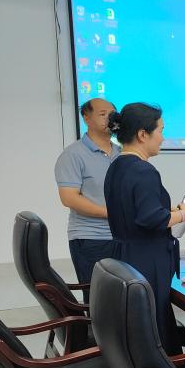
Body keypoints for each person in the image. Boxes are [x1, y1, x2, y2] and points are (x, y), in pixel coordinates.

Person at [104, 103, 185, 355]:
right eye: (161, 130)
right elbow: (151, 218)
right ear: (142, 134)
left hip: (126, 255)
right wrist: (184, 214)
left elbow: (135, 212)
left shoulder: (117, 166)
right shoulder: (143, 170)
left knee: (141, 322)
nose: (163, 138)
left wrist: (172, 211)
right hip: (147, 259)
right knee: (154, 324)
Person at [54, 98, 120, 300]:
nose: (109, 118)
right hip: (91, 238)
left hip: (122, 237)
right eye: (102, 114)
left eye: (112, 114)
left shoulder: (122, 153)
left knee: (123, 297)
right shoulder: (73, 154)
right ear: (86, 118)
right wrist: (112, 214)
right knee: (99, 299)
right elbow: (69, 198)